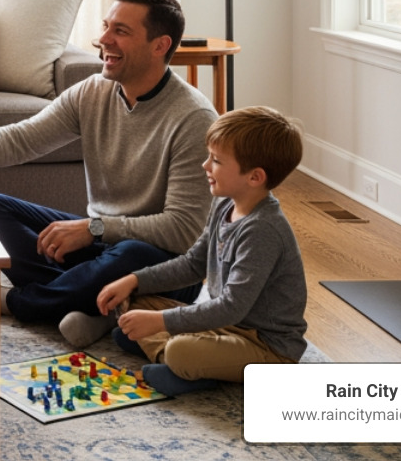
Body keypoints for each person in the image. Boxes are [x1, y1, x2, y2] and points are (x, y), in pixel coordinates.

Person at [0, 0, 215, 341]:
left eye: (120, 31)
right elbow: (23, 138)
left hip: (163, 268)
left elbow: (183, 232)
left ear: (160, 45)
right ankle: (96, 307)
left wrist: (95, 228)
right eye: (106, 26)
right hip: (101, 245)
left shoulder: (194, 118)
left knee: (130, 252)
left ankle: (19, 302)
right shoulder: (93, 92)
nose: (103, 40)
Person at [91, 106, 308, 396]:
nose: (205, 166)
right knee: (137, 303)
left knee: (181, 350)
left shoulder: (263, 230)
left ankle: (182, 365)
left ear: (254, 177)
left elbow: (232, 306)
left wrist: (160, 323)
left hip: (266, 348)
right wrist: (133, 280)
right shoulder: (224, 204)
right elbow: (193, 264)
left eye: (216, 160)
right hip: (224, 327)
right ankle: (181, 363)